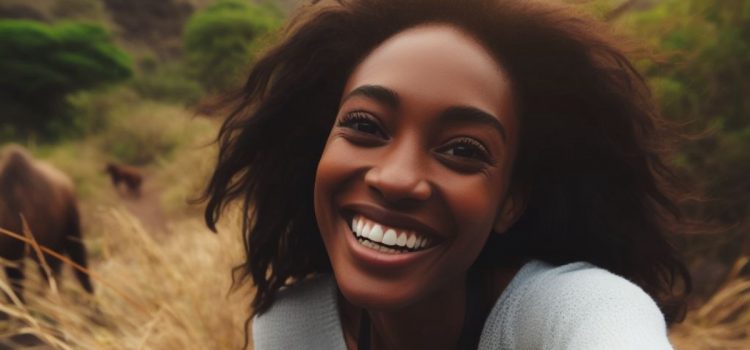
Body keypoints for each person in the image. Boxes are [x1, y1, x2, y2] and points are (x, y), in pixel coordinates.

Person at [201, 0, 692, 349]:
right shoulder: (294, 328)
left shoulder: (568, 310)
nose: (395, 179)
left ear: (510, 201)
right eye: (364, 125)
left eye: (462, 149)